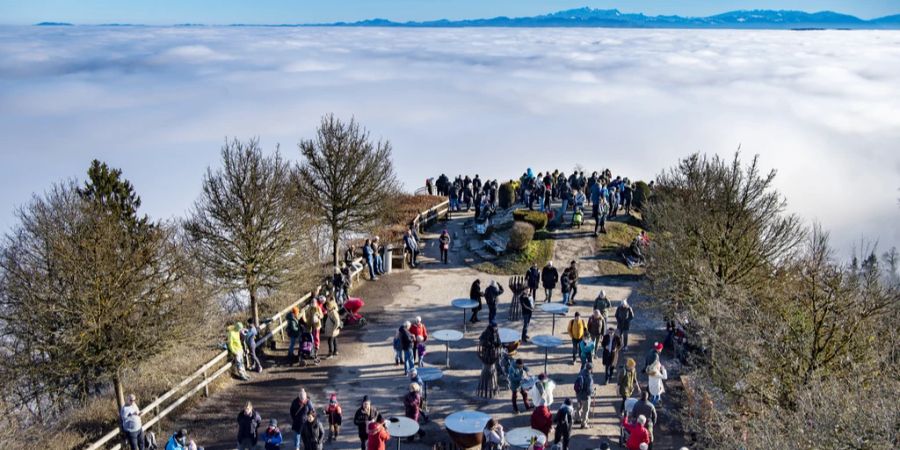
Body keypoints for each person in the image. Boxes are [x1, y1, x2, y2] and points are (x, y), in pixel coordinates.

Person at [574, 363, 594, 428]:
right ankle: (584, 423)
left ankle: (577, 418)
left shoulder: (581, 372)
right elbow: (589, 390)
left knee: (579, 407)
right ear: (591, 369)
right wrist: (592, 393)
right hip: (585, 396)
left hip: (579, 395)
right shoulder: (589, 377)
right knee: (586, 410)